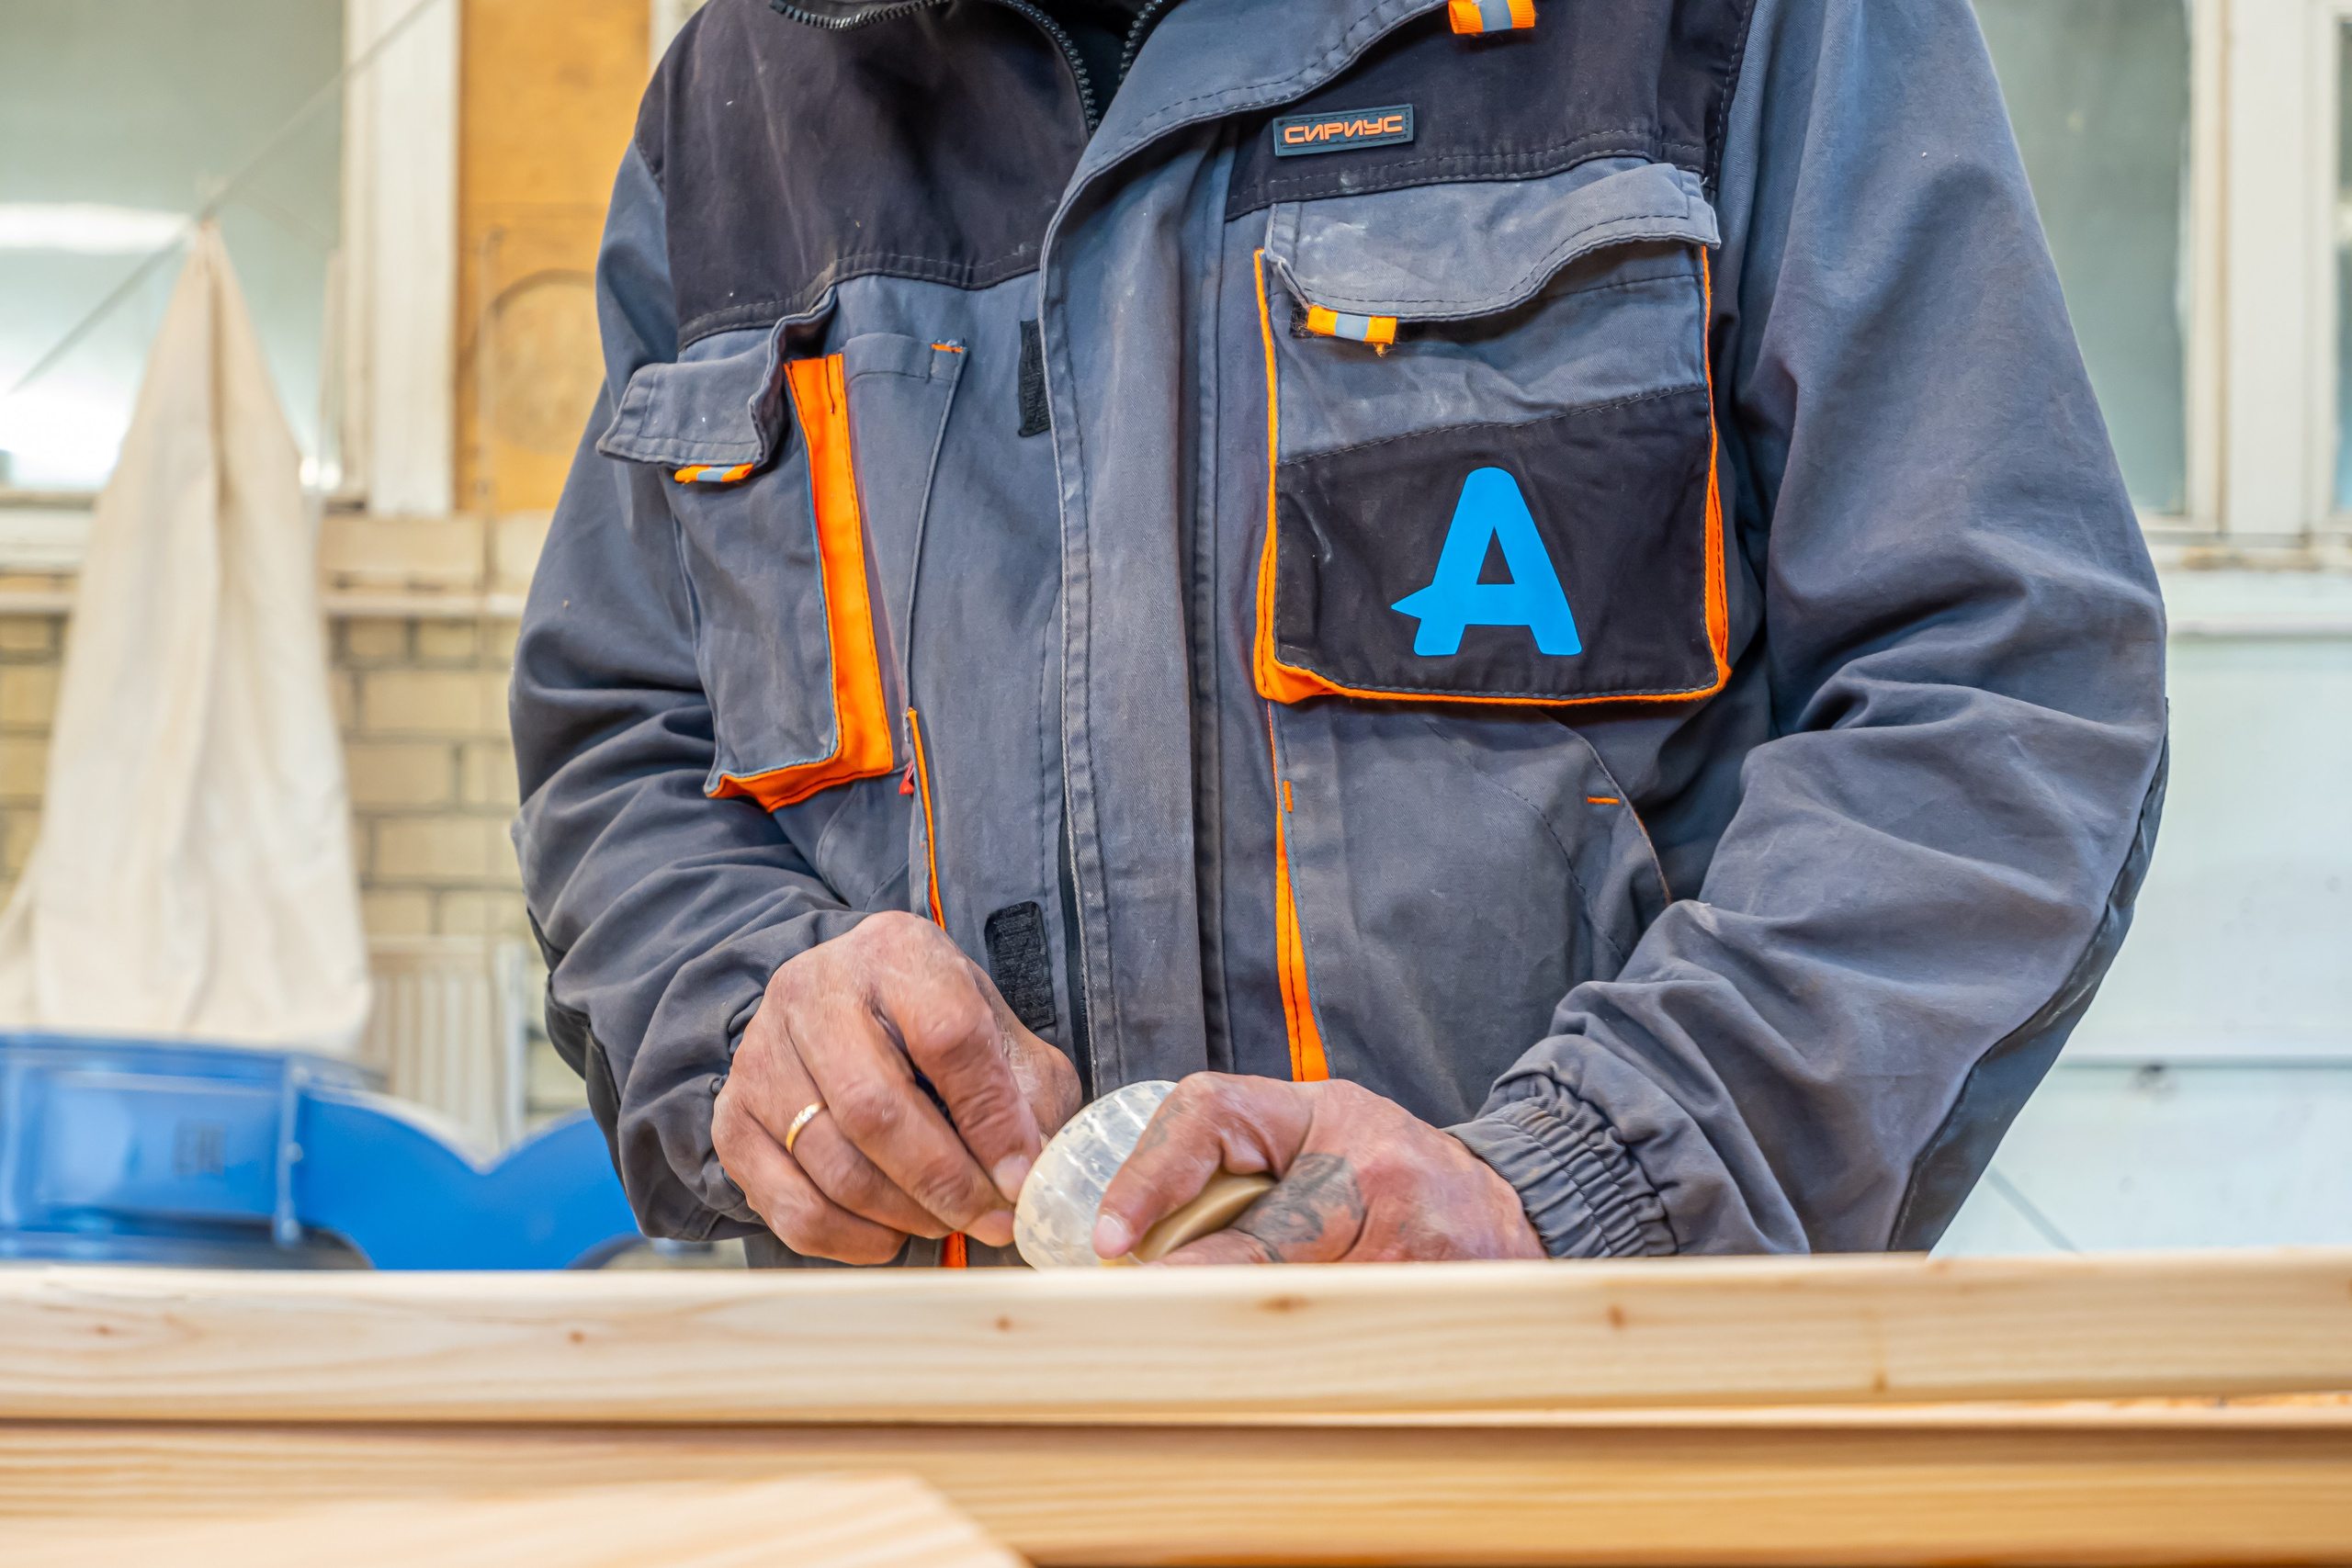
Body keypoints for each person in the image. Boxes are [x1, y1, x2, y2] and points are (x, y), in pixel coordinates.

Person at [510, 0, 2168, 1268]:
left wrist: (1575, 1176)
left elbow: (1999, 687)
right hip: (948, 1466)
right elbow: (622, 751)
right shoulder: (746, 102)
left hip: (1577, 1455)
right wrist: (755, 1020)